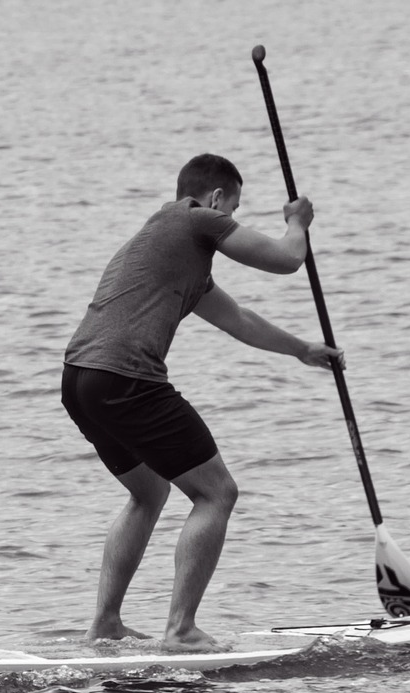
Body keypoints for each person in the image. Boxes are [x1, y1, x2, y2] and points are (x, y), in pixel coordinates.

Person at [60, 153, 343, 650]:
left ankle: (105, 624)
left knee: (148, 494)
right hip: (128, 377)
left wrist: (302, 350)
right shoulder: (196, 218)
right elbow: (287, 259)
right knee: (217, 493)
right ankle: (181, 630)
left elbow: (240, 320)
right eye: (232, 209)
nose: (230, 219)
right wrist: (297, 222)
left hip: (80, 378)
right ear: (216, 199)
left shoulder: (168, 245)